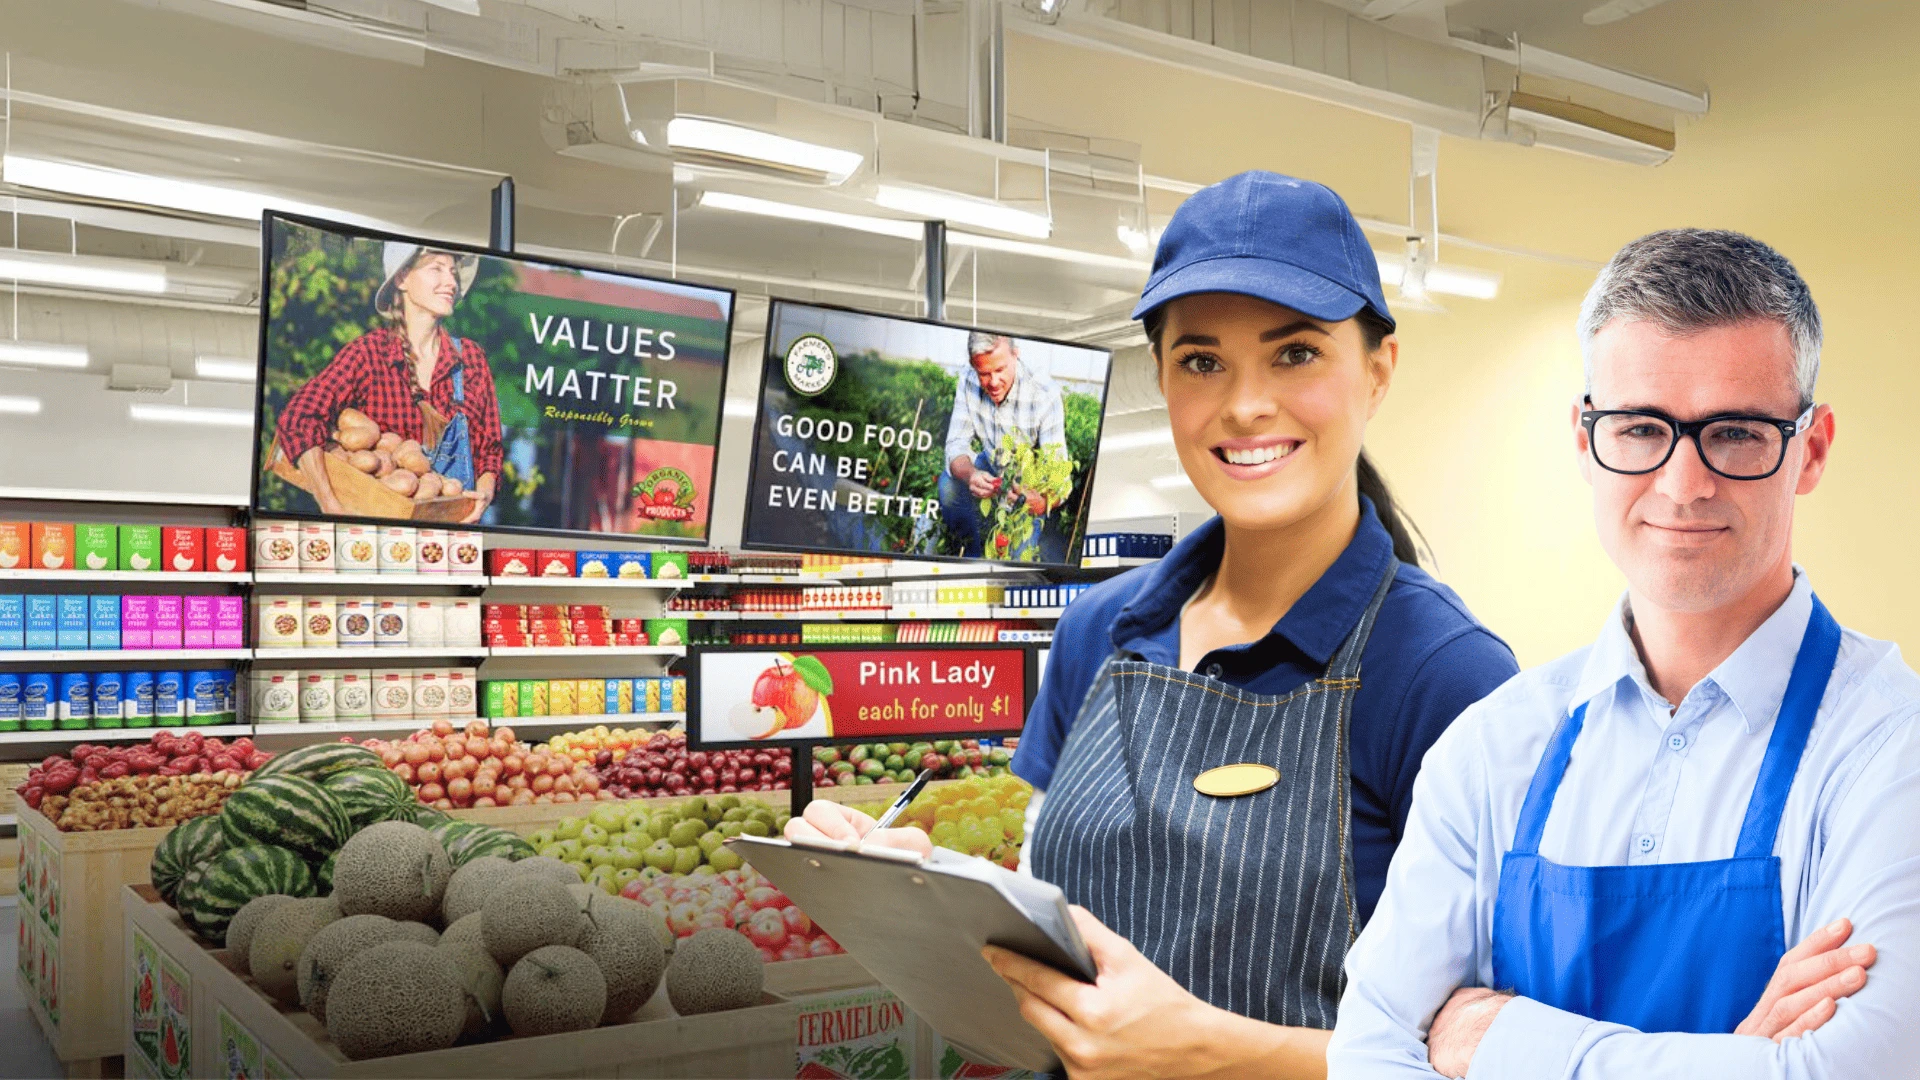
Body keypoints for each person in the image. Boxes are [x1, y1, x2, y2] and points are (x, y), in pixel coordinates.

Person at [788, 171, 1519, 1078]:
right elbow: (1059, 938)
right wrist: (919, 893)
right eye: (1202, 361)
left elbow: (1503, 1053)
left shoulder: (1444, 674)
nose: (1245, 403)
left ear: (1377, 370)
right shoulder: (1100, 631)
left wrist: (1218, 1054)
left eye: (1294, 354)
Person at [1328, 229, 1920, 1078]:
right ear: (1585, 439)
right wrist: (1735, 1059)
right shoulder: (1492, 750)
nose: (1683, 485)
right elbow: (1368, 1056)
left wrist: (1495, 1043)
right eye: (1642, 430)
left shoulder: (1892, 750)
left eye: (1738, 434)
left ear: (1811, 449)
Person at [275, 242, 503, 524]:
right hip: (379, 540)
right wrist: (329, 501)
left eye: (454, 272)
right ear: (402, 278)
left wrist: (483, 497)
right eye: (437, 269)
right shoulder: (368, 354)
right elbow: (299, 418)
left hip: (451, 541)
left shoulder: (471, 359)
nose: (451, 282)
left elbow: (489, 451)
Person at [937, 332, 1070, 559]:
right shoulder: (967, 380)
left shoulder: (1045, 394)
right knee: (947, 486)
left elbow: (1059, 477)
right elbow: (956, 444)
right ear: (973, 366)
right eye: (984, 374)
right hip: (989, 465)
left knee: (1016, 559)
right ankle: (972, 552)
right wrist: (971, 475)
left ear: (1015, 355)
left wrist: (1041, 501)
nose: (994, 382)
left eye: (1000, 370)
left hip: (1025, 487)